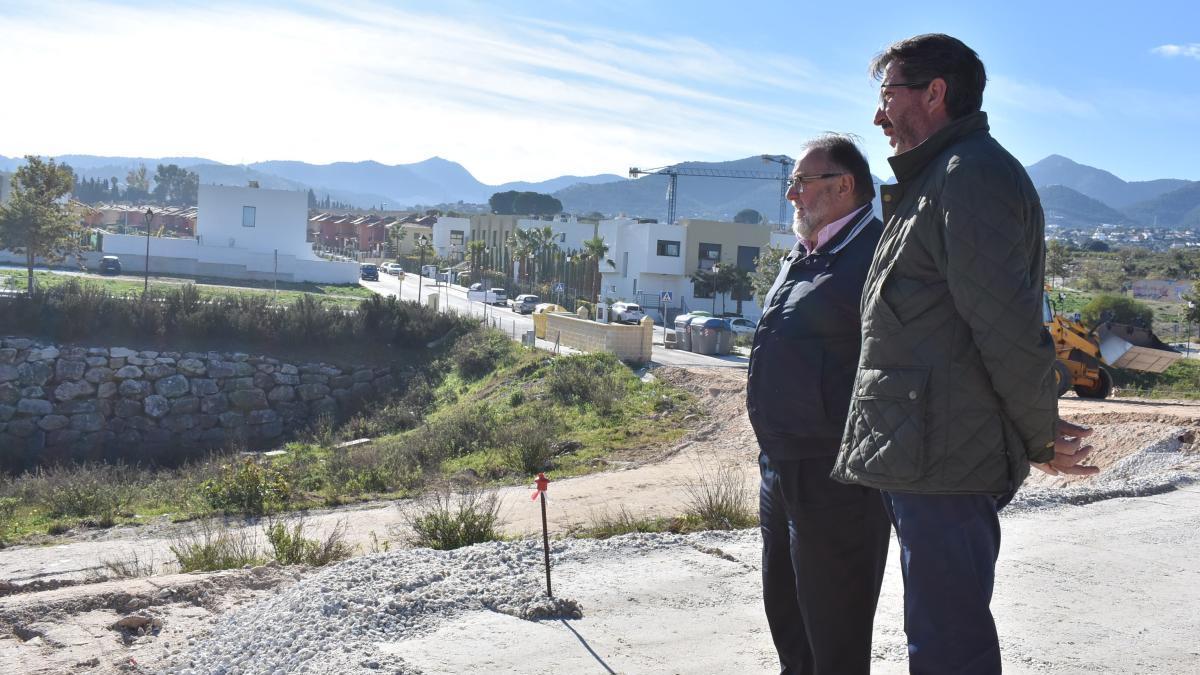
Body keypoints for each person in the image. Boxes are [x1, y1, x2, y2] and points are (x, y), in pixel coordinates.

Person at [831, 33, 1098, 673]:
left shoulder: (969, 176)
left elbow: (1005, 329)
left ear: (935, 92)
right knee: (938, 629)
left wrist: (1039, 435)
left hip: (946, 452)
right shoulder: (938, 178)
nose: (878, 116)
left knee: (948, 641)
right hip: (925, 446)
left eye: (887, 94)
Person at [747, 133, 889, 675]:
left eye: (801, 183)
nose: (792, 196)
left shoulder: (876, 257)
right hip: (780, 467)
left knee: (836, 635)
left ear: (844, 185)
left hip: (838, 475)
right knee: (788, 621)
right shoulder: (803, 256)